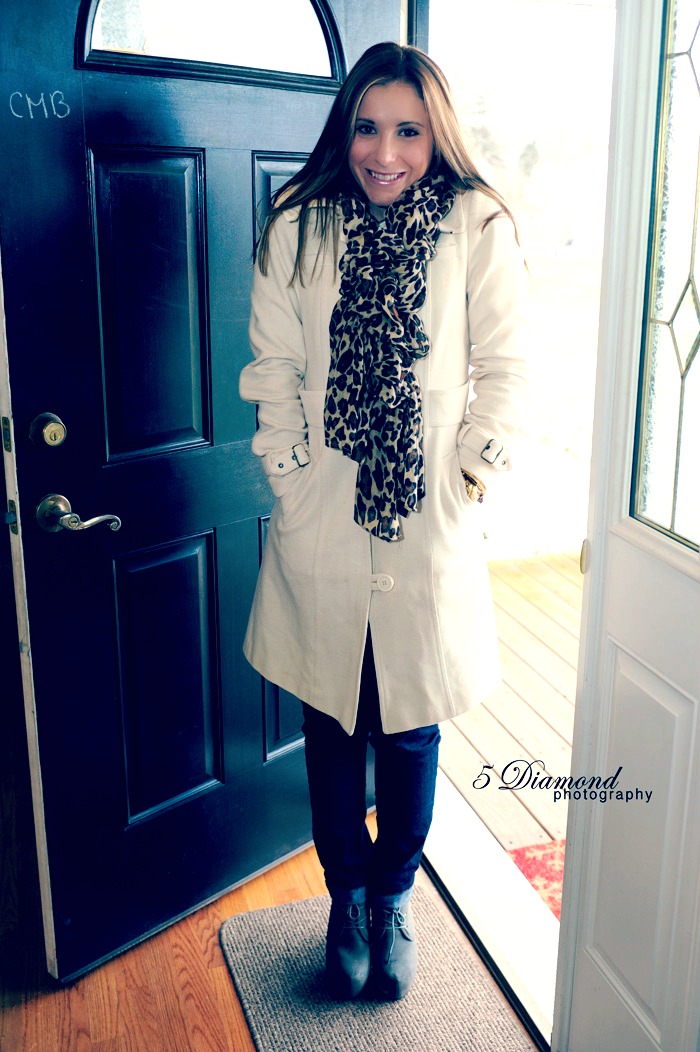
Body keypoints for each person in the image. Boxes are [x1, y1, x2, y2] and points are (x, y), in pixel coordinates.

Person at [239, 41, 529, 1001]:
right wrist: (289, 476)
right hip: (323, 515)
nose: (386, 153)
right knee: (332, 718)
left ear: (437, 134)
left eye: (409, 130)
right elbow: (274, 367)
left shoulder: (476, 226)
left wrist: (468, 476)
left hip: (426, 521)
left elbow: (507, 369)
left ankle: (395, 894)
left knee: (409, 726)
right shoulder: (300, 225)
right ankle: (347, 899)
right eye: (367, 128)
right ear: (344, 130)